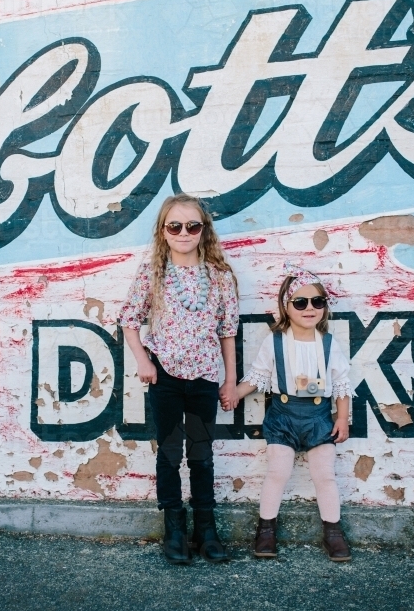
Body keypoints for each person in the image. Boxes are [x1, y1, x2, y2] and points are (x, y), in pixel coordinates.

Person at [118, 194, 239, 565]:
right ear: (164, 232)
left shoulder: (219, 277)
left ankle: (206, 528)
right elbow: (129, 318)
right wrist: (143, 361)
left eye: (193, 225)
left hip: (204, 378)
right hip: (166, 378)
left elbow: (228, 331)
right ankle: (174, 529)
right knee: (170, 455)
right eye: (175, 226)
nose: (184, 232)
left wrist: (230, 380)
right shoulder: (153, 273)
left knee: (201, 455)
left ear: (204, 231)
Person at [223, 261, 353, 562]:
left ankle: (333, 532)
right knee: (277, 473)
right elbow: (257, 377)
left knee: (325, 476)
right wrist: (233, 394)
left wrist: (342, 418)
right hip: (282, 417)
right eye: (301, 302)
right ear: (286, 307)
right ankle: (266, 530)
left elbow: (342, 384)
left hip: (319, 418)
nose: (310, 308)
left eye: (318, 301)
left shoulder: (329, 344)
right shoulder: (275, 342)